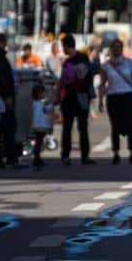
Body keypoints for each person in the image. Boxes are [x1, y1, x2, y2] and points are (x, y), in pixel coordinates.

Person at [98, 38, 132, 164]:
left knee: (130, 126)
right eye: (114, 47)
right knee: (115, 126)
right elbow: (102, 84)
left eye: (119, 47)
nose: (116, 50)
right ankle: (116, 153)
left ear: (122, 49)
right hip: (113, 97)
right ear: (111, 49)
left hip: (127, 96)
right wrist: (100, 100)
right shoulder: (106, 66)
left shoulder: (129, 63)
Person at [55, 35, 94, 166]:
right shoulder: (82, 58)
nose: (62, 49)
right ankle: (83, 156)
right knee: (79, 127)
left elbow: (63, 80)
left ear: (67, 46)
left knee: (71, 127)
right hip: (80, 97)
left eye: (63, 46)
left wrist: (57, 95)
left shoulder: (72, 61)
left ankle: (67, 156)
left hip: (73, 97)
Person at [0, 33, 21, 169]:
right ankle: (10, 158)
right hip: (2, 100)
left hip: (1, 98)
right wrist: (7, 96)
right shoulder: (0, 57)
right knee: (7, 129)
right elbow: (2, 78)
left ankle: (2, 158)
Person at [30, 83, 53, 169]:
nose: (45, 94)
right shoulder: (38, 104)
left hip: (39, 126)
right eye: (43, 92)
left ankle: (38, 158)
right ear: (39, 94)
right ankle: (36, 159)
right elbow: (45, 110)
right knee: (38, 143)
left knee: (39, 143)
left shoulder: (37, 103)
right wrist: (50, 105)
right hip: (39, 126)